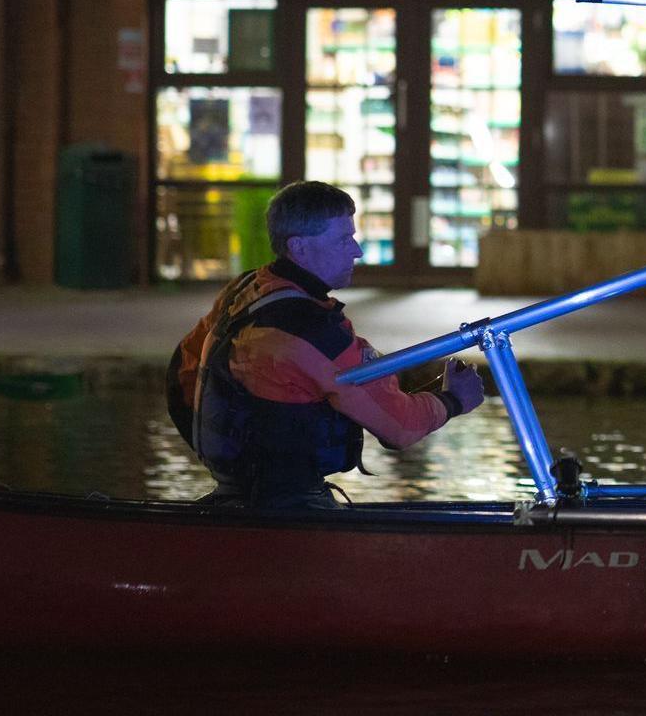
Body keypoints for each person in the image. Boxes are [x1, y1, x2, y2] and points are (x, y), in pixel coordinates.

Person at [167, 181, 485, 509]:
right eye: (344, 239)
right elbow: (399, 428)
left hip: (237, 493)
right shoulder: (311, 329)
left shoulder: (247, 289)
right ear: (300, 247)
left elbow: (183, 374)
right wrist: (452, 400)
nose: (356, 251)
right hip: (289, 507)